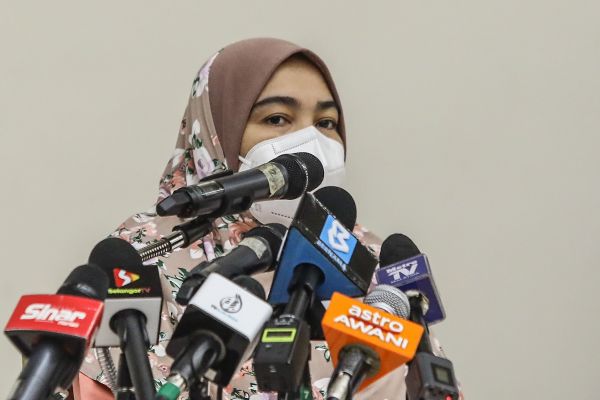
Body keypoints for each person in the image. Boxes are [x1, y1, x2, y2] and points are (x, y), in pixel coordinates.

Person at [73, 38, 459, 400]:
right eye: (277, 118)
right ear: (217, 132)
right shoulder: (144, 251)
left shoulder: (370, 260)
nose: (311, 144)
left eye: (326, 123)